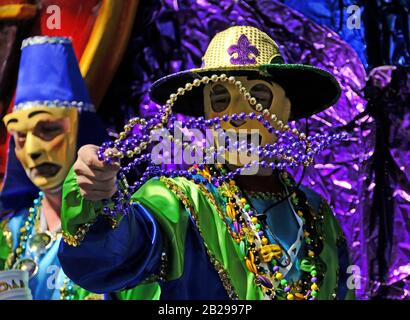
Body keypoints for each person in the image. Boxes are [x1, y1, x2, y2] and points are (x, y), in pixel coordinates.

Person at [59, 26, 354, 300]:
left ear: (288, 109)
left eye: (258, 96)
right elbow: (109, 259)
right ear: (206, 115)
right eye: (221, 99)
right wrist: (99, 196)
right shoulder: (176, 202)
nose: (238, 114)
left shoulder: (317, 216)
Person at [0, 36, 108, 300]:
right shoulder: (10, 233)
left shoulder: (118, 233)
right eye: (21, 137)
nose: (33, 150)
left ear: (80, 132)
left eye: (48, 130)